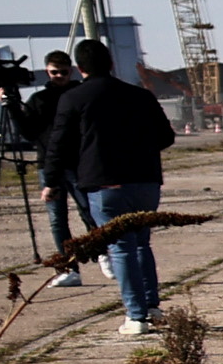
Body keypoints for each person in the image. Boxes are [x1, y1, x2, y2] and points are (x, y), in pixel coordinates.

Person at [33, 39, 172, 341]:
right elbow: (166, 137)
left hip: (105, 182)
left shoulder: (73, 99)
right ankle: (152, 307)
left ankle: (136, 316)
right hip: (146, 181)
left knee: (120, 247)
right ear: (111, 64)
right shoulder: (140, 96)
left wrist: (52, 182)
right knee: (141, 244)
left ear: (79, 68)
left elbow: (57, 144)